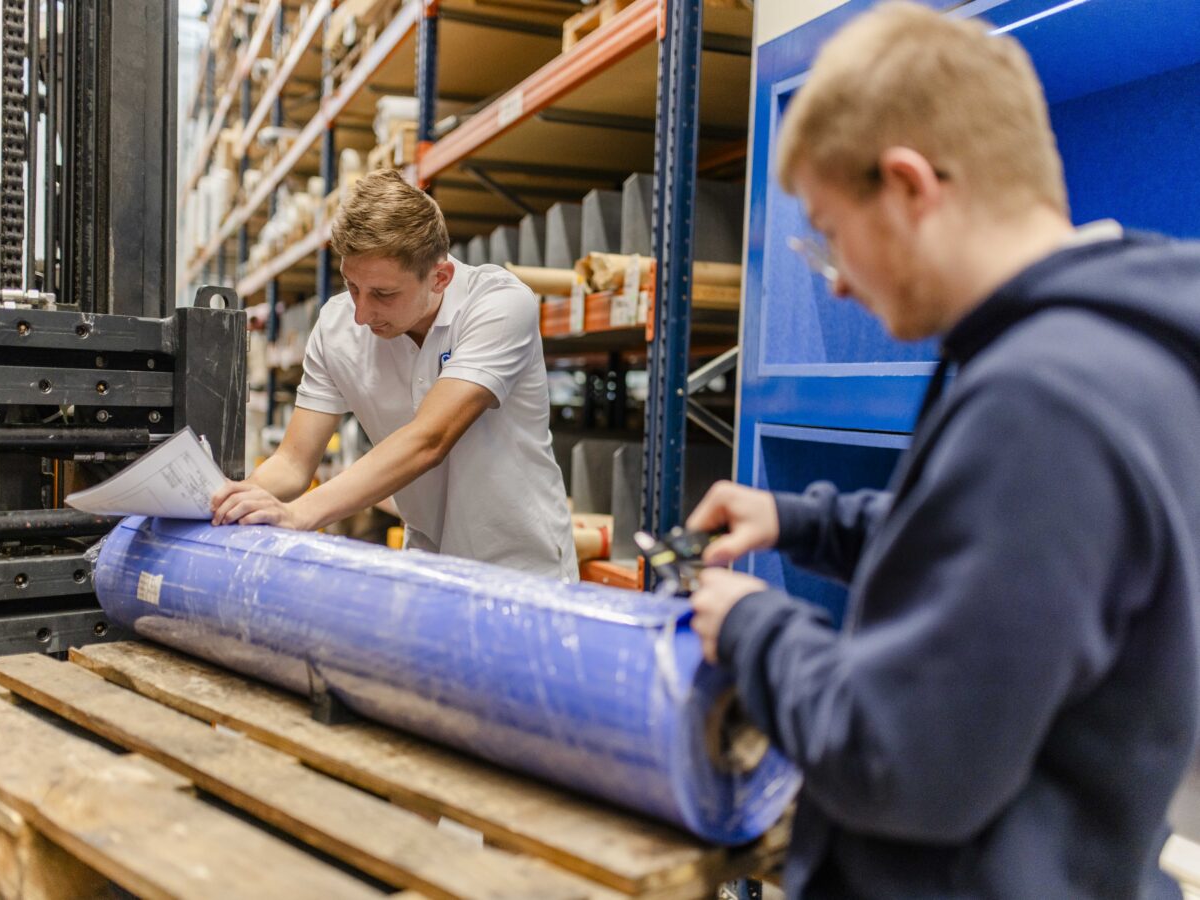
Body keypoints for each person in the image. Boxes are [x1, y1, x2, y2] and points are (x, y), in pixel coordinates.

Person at [684, 3, 1200, 897]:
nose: (837, 280)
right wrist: (799, 520)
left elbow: (898, 761)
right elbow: (1001, 569)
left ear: (910, 185)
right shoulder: (1121, 353)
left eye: (831, 232)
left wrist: (752, 626)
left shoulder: (1043, 401)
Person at [211, 170, 578, 581]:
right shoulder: (336, 328)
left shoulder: (499, 305)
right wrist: (235, 502)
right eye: (352, 287)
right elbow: (294, 462)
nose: (361, 314)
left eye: (383, 294)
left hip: (522, 567)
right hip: (425, 562)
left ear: (440, 277)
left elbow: (429, 439)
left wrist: (299, 514)